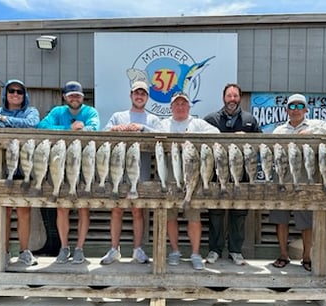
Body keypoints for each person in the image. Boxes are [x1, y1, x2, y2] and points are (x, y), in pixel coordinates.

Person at [269, 93, 326, 271]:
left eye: (299, 106)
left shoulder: (316, 125)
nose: (295, 110)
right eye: (292, 106)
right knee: (281, 220)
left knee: (307, 222)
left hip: (306, 183)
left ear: (305, 109)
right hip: (282, 182)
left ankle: (306, 257)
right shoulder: (279, 131)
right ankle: (283, 255)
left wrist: (312, 133)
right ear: (286, 110)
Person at [0, 79, 40, 266]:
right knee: (3, 210)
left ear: (24, 95)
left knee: (24, 210)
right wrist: (11, 124)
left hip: (24, 166)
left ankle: (24, 251)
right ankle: (3, 252)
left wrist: (4, 121)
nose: (15, 94)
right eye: (11, 91)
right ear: (6, 93)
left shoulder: (30, 110)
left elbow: (32, 124)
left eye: (19, 92)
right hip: (1, 167)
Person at [100, 80, 163, 265]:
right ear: (131, 95)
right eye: (136, 93)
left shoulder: (151, 119)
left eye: (143, 93)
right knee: (117, 209)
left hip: (141, 170)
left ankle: (137, 249)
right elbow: (103, 132)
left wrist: (141, 128)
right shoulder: (118, 116)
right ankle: (114, 249)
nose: (139, 96)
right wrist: (115, 129)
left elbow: (161, 135)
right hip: (118, 171)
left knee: (138, 211)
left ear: (147, 97)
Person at [37, 81, 100, 264]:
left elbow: (94, 128)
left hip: (84, 165)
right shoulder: (58, 112)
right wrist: (68, 130)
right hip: (59, 165)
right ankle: (64, 248)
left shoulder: (90, 112)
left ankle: (79, 248)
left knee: (83, 207)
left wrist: (82, 130)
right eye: (71, 94)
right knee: (62, 208)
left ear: (83, 97)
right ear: (65, 97)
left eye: (77, 95)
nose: (74, 97)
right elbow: (42, 127)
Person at [159, 91, 220, 270]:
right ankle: (175, 251)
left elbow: (216, 134)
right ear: (171, 107)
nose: (180, 107)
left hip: (194, 176)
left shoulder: (198, 123)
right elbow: (155, 137)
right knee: (170, 216)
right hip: (170, 175)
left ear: (189, 106)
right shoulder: (164, 124)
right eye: (176, 104)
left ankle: (195, 253)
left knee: (194, 217)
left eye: (183, 104)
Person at [203, 83, 262, 265]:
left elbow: (261, 143)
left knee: (239, 215)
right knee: (216, 214)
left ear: (240, 98)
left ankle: (236, 250)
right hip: (215, 176)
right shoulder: (211, 119)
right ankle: (215, 249)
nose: (232, 100)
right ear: (223, 98)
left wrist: (247, 138)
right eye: (229, 96)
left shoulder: (249, 120)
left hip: (242, 176)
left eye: (235, 96)